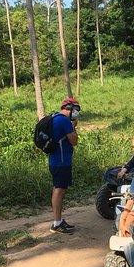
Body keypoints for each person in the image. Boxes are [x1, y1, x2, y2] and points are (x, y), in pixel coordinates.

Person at [49, 97, 80, 234]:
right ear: (69, 108)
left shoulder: (55, 118)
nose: (77, 112)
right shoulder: (64, 121)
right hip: (61, 162)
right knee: (59, 190)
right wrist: (73, 127)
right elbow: (74, 141)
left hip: (56, 160)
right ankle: (57, 223)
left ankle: (59, 221)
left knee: (59, 189)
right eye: (77, 109)